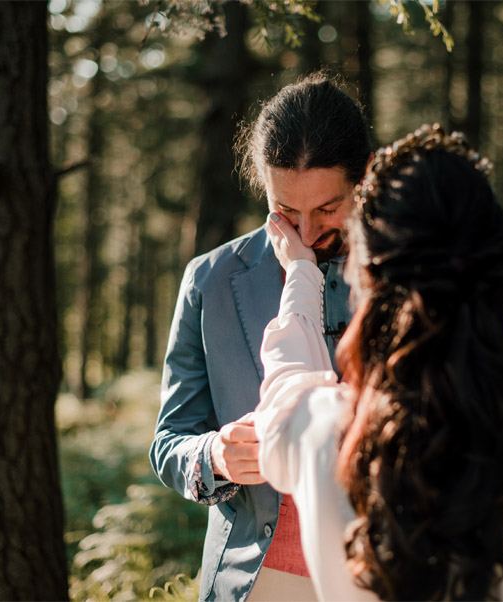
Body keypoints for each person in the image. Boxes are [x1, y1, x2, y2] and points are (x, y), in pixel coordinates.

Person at [255, 124, 503, 600]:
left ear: (364, 281)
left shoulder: (319, 433)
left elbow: (287, 377)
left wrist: (301, 276)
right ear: (497, 281)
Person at [149, 74, 371, 601]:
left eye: (327, 208)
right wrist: (215, 457)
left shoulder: (412, 271)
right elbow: (169, 441)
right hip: (256, 579)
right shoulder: (211, 279)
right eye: (287, 210)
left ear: (363, 181)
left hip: (381, 573)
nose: (308, 232)